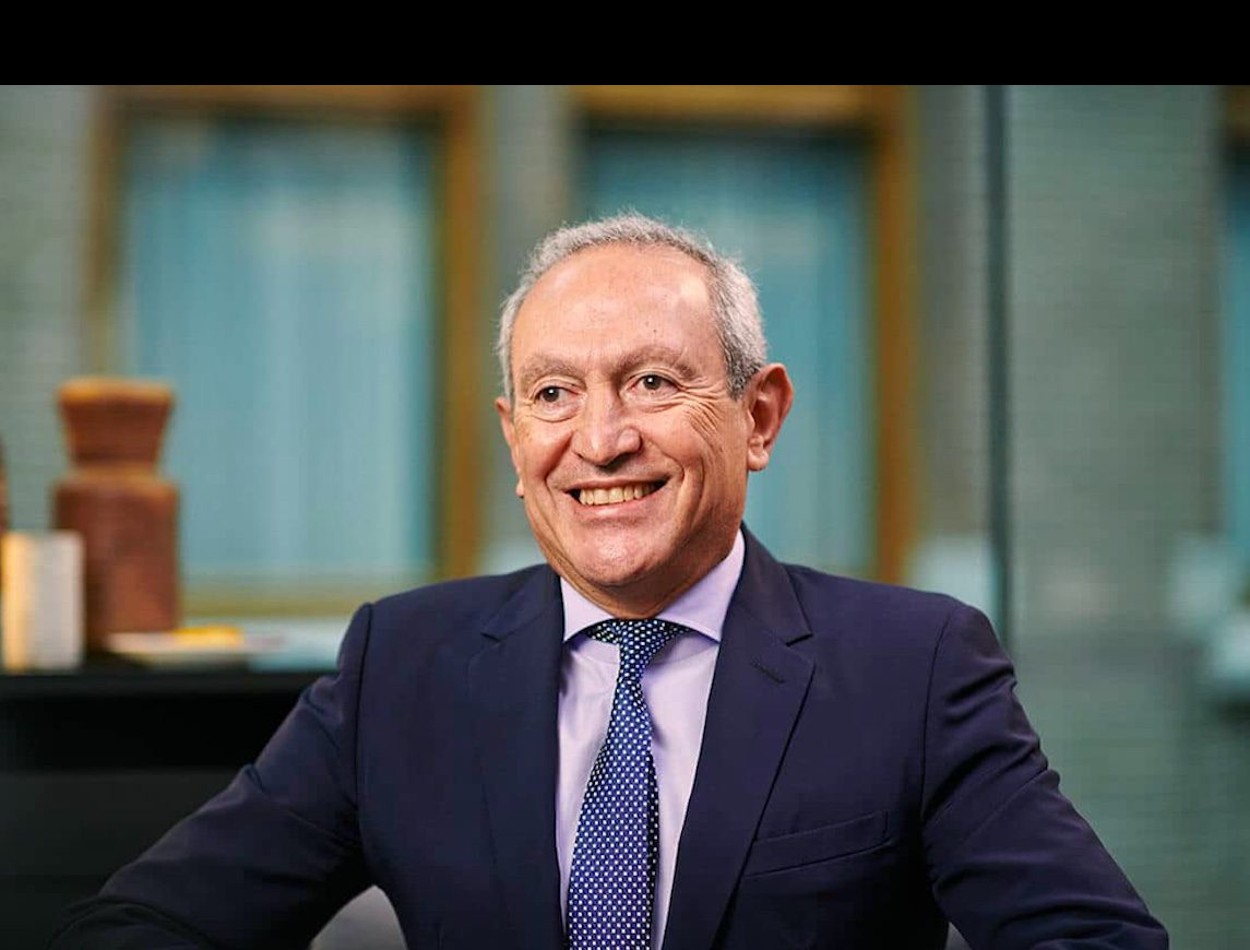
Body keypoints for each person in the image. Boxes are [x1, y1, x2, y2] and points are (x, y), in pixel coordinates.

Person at [51, 213, 1168, 949]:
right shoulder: (402, 665)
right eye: (552, 394)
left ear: (759, 416)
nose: (599, 440)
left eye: (651, 382)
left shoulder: (911, 668)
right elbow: (148, 924)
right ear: (513, 435)